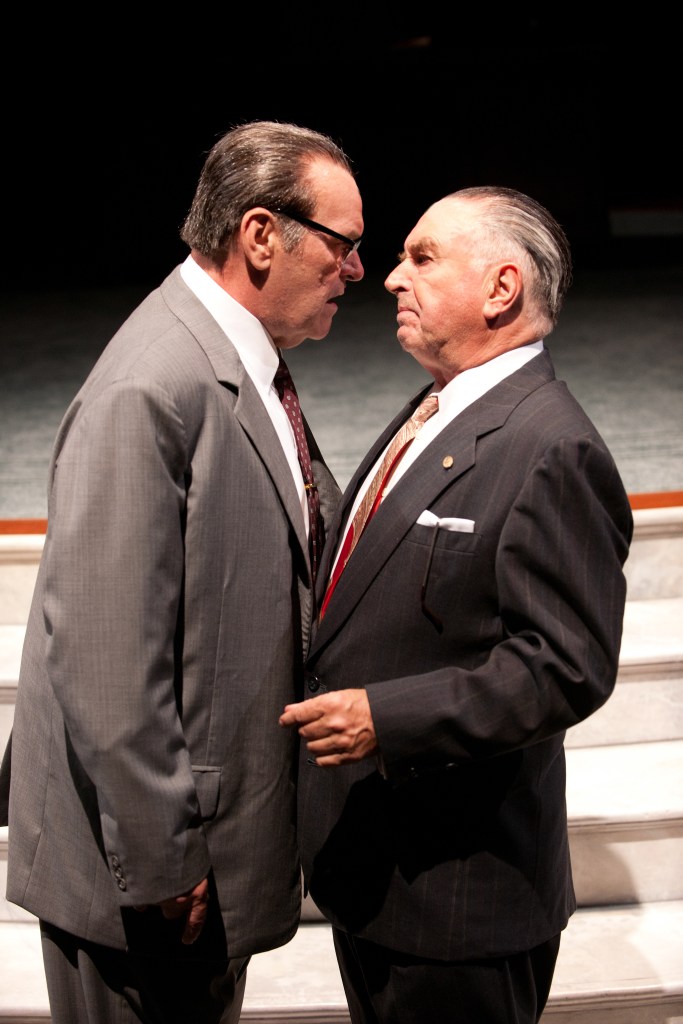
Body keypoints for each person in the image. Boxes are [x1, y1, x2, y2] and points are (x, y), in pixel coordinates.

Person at [0, 120, 364, 1024]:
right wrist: (164, 856)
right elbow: (101, 654)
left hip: (192, 865)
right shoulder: (152, 386)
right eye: (343, 243)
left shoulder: (238, 362)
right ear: (259, 235)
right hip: (144, 882)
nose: (358, 270)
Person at [279, 186, 633, 1024]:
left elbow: (564, 666)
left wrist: (385, 717)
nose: (390, 277)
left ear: (501, 289)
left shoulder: (553, 446)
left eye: (421, 257)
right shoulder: (443, 404)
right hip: (382, 875)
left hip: (458, 901)